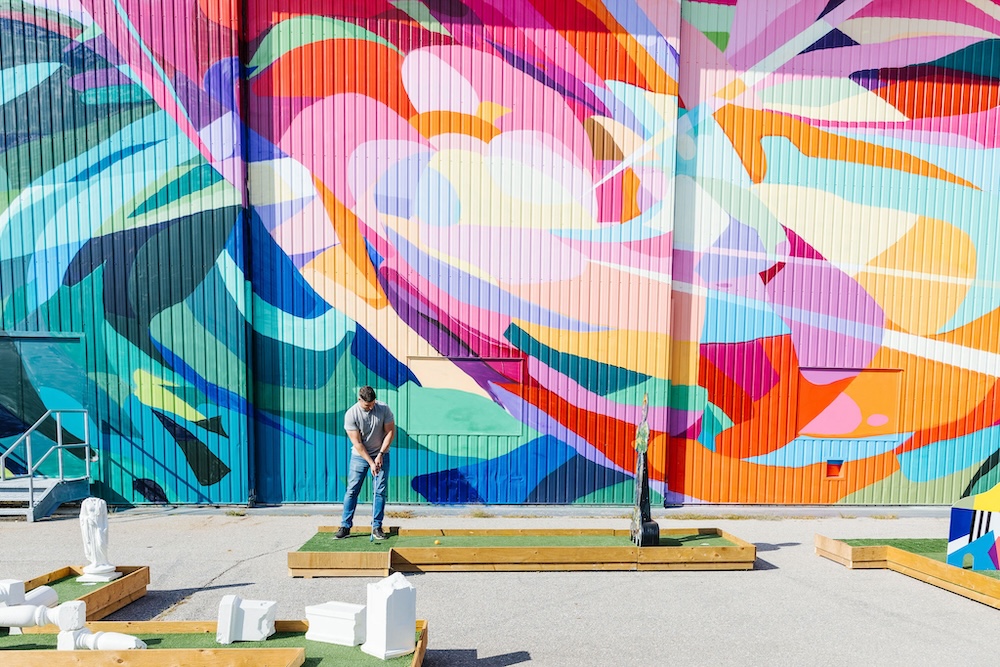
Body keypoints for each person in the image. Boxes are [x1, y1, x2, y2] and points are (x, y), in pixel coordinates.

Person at [336, 386, 395, 540]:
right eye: (367, 405)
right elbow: (357, 443)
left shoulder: (384, 409)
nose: (370, 407)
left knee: (380, 491)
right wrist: (371, 462)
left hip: (381, 454)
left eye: (372, 403)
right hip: (360, 457)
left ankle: (377, 527)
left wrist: (380, 454)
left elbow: (390, 432)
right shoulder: (351, 414)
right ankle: (345, 526)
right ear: (359, 400)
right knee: (352, 490)